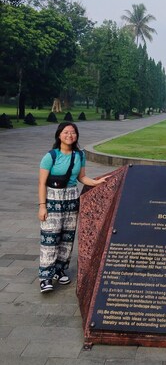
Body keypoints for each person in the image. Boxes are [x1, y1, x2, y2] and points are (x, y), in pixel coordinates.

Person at [38, 122, 108, 293]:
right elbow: (41, 183)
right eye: (66, 132)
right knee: (50, 238)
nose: (69, 135)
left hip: (71, 198)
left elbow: (82, 177)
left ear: (76, 136)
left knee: (67, 238)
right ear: (59, 135)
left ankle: (60, 270)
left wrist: (96, 182)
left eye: (73, 132)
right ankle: (45, 276)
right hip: (53, 198)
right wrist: (42, 206)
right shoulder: (51, 156)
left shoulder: (79, 155)